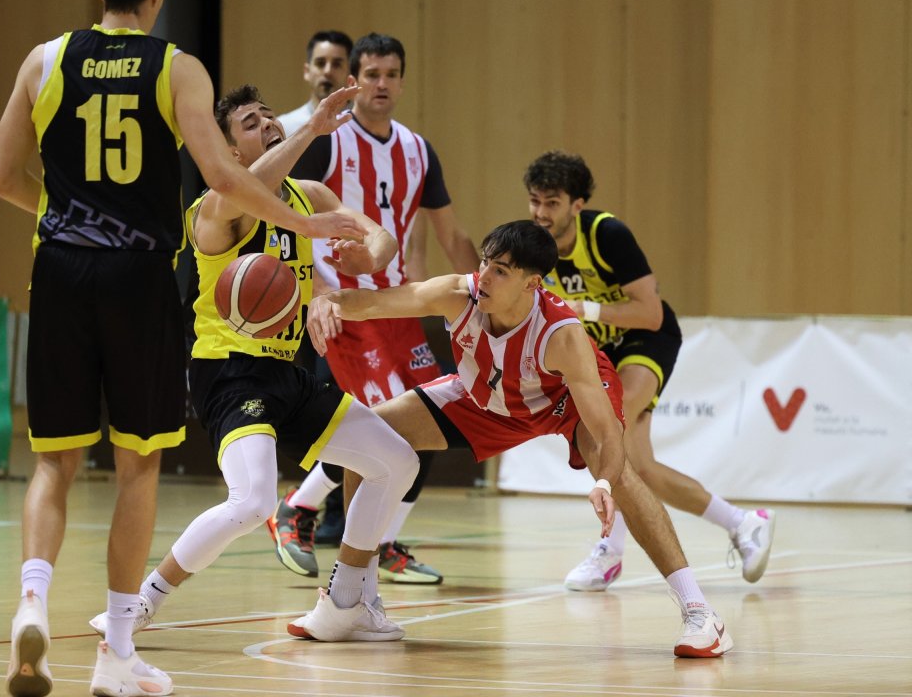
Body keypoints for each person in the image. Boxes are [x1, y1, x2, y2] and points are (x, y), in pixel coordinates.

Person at [0, 0, 364, 697]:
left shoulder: (45, 60)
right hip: (140, 278)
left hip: (59, 268)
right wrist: (305, 225)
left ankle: (32, 599)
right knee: (138, 463)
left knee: (54, 461)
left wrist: (63, 219)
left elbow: (0, 177)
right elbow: (222, 173)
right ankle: (117, 648)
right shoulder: (176, 67)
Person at [304, 220, 735, 658]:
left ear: (532, 283)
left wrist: (603, 481)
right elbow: (375, 304)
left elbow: (607, 435)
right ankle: (356, 600)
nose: (485, 276)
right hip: (487, 396)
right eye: (486, 262)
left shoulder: (561, 335)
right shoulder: (459, 293)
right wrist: (324, 301)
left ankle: (700, 613)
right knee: (368, 437)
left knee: (622, 475)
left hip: (561, 400)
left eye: (502, 271)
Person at [90, 83, 420, 645]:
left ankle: (347, 601)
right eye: (250, 122)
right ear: (232, 153)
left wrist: (368, 255)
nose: (267, 123)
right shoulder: (216, 209)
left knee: (397, 461)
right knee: (253, 501)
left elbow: (382, 237)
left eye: (270, 116)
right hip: (229, 371)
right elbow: (245, 192)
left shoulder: (309, 194)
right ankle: (140, 603)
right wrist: (311, 129)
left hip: (286, 371)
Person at [269, 32, 478, 584]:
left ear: (402, 81)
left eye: (391, 74)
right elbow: (278, 214)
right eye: (372, 74)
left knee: (442, 417)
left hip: (397, 306)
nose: (382, 84)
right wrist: (312, 293)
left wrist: (488, 295)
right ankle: (300, 505)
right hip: (344, 305)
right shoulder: (326, 142)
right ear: (353, 81)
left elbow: (451, 234)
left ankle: (382, 541)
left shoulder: (418, 148)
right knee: (383, 427)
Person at [523, 151, 775, 591]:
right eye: (535, 201)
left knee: (609, 432)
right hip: (599, 347)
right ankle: (743, 522)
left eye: (552, 203)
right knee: (640, 467)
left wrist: (584, 308)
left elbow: (651, 312)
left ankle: (610, 552)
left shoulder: (607, 234)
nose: (541, 213)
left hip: (645, 339)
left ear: (577, 204)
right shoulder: (533, 247)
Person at [277, 30, 353, 135]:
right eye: (320, 63)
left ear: (351, 73)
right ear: (307, 71)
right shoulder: (285, 128)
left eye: (336, 64)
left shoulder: (366, 125)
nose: (328, 71)